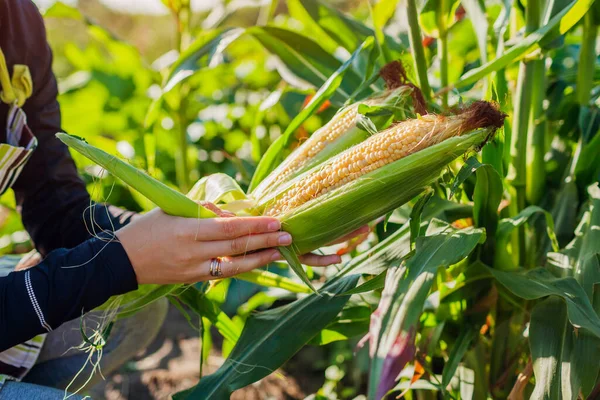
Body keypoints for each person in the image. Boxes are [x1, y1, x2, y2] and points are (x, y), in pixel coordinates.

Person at [0, 1, 366, 398]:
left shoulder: (18, 24)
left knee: (132, 306)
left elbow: (56, 209)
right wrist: (123, 259)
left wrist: (216, 233)